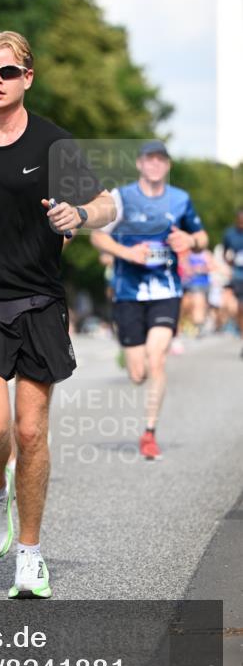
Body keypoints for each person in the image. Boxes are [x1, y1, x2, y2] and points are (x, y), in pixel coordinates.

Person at [0, 30, 115, 600]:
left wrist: (80, 214)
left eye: (6, 73)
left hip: (39, 300)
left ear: (27, 77)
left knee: (31, 431)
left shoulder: (54, 143)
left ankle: (30, 557)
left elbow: (108, 204)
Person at [90, 140, 208, 459]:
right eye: (149, 159)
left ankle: (149, 432)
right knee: (137, 373)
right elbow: (97, 235)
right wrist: (127, 252)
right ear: (140, 164)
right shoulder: (122, 198)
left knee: (157, 358)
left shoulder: (181, 200)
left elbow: (202, 237)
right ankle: (132, 357)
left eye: (161, 159)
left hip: (166, 292)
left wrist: (191, 239)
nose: (155, 164)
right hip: (128, 293)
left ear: (167, 166)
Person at [223, 207, 243, 356]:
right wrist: (229, 262)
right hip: (238, 275)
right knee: (240, 308)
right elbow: (225, 253)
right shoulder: (230, 234)